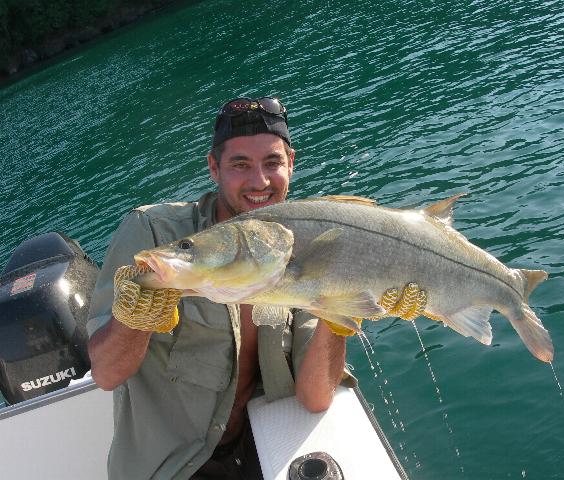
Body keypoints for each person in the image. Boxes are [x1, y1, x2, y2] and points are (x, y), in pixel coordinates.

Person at [87, 96, 424, 480]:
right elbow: (106, 374)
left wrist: (342, 309)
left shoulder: (307, 243)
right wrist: (133, 320)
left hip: (260, 450)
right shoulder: (152, 233)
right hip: (169, 467)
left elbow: (316, 397)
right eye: (240, 164)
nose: (259, 182)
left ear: (291, 163)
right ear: (214, 167)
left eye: (272, 163)